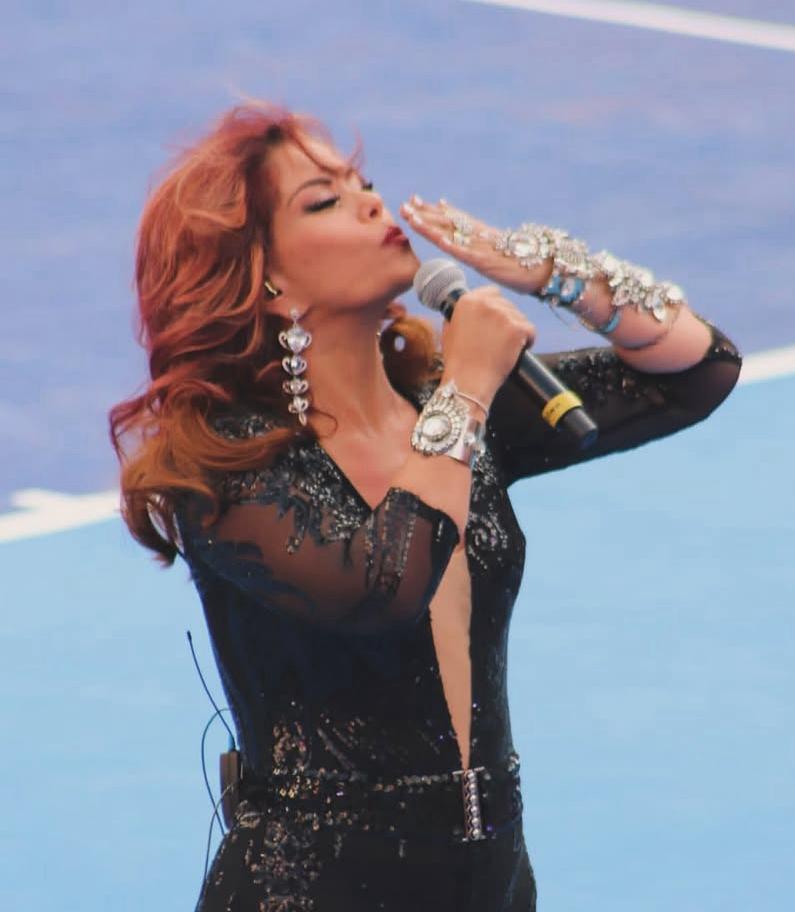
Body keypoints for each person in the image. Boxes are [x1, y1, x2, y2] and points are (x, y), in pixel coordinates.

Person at [108, 100, 742, 912]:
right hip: (309, 891)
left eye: (363, 183)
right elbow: (383, 587)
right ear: (264, 279)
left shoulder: (443, 411)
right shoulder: (223, 464)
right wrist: (469, 386)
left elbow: (697, 371)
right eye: (324, 200)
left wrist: (550, 272)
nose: (372, 202)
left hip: (493, 883)